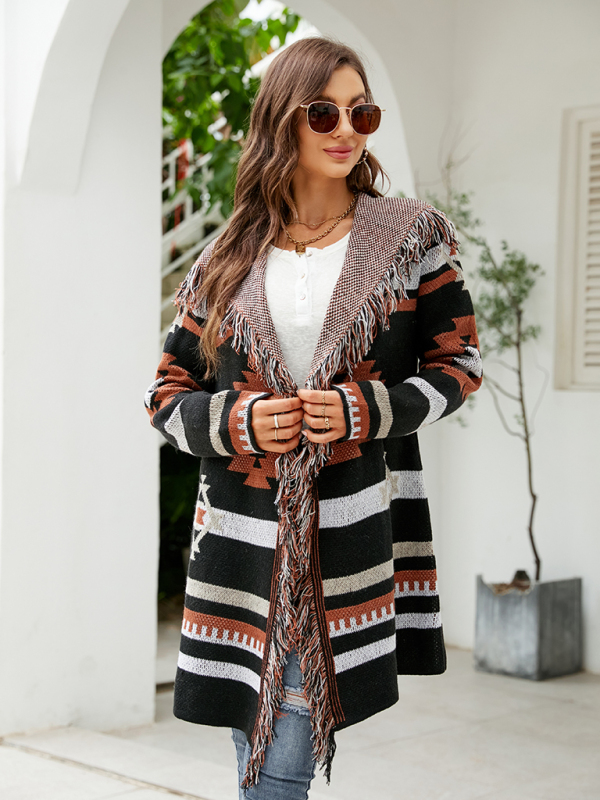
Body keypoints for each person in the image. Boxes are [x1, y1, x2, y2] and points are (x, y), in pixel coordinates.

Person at [145, 36, 482, 799]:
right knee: (253, 746)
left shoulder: (411, 238)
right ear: (282, 119)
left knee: (281, 759)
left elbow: (459, 365)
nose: (347, 129)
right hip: (240, 544)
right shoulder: (227, 255)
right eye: (324, 112)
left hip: (344, 534)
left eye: (363, 112)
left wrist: (367, 409)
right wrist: (239, 422)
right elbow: (165, 393)